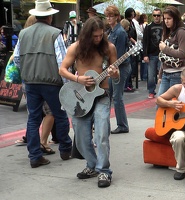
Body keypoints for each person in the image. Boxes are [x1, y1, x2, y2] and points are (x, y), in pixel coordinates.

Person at [59, 16, 119, 188]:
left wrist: (115, 74)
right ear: (87, 35)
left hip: (102, 95)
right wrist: (78, 80)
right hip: (80, 98)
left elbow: (117, 74)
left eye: (101, 35)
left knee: (101, 134)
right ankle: (92, 165)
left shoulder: (109, 48)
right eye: (94, 36)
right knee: (81, 139)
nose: (98, 39)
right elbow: (62, 69)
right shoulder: (76, 48)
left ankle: (104, 171)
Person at [13, 0, 72, 168]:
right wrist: (66, 83)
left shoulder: (23, 33)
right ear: (50, 16)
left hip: (30, 82)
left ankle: (35, 155)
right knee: (60, 115)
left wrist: (27, 73)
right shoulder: (55, 33)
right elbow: (62, 61)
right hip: (51, 82)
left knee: (33, 118)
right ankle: (66, 149)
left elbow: (17, 58)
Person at [105, 5, 131, 134]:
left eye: (111, 16)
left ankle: (122, 125)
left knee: (117, 96)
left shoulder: (120, 32)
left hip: (120, 67)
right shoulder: (111, 31)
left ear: (117, 17)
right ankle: (107, 123)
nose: (109, 18)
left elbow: (118, 54)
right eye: (107, 16)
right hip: (113, 66)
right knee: (109, 94)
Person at [157, 6, 185, 97]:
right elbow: (164, 57)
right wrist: (160, 75)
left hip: (177, 73)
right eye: (165, 18)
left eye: (169, 18)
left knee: (173, 105)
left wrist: (165, 48)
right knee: (160, 103)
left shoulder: (181, 32)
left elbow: (183, 54)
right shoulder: (167, 32)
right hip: (166, 73)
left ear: (175, 19)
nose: (166, 21)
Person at [143, 8, 163, 99]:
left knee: (163, 74)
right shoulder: (149, 27)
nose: (156, 17)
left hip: (163, 54)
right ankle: (151, 91)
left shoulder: (164, 26)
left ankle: (163, 91)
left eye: (158, 15)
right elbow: (145, 41)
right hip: (152, 54)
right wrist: (145, 55)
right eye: (154, 15)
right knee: (151, 75)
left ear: (161, 16)